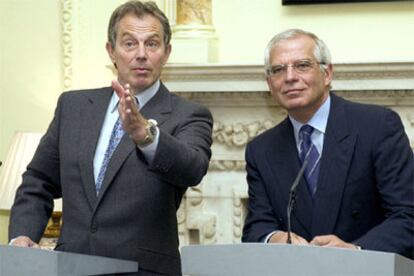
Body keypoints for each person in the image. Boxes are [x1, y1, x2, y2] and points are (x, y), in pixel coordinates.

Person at [8, 1, 213, 275]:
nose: (141, 54)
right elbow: (38, 181)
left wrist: (146, 135)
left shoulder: (188, 114)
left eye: (152, 44)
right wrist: (21, 236)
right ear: (111, 51)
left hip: (143, 270)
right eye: (129, 44)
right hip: (70, 266)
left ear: (166, 53)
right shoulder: (73, 106)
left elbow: (192, 168)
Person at [242, 29, 414, 258]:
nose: (290, 77)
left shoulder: (377, 126)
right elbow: (256, 226)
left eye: (302, 65)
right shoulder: (261, 149)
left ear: (327, 73)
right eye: (278, 70)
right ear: (269, 83)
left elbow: (407, 214)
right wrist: (275, 238)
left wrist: (356, 251)